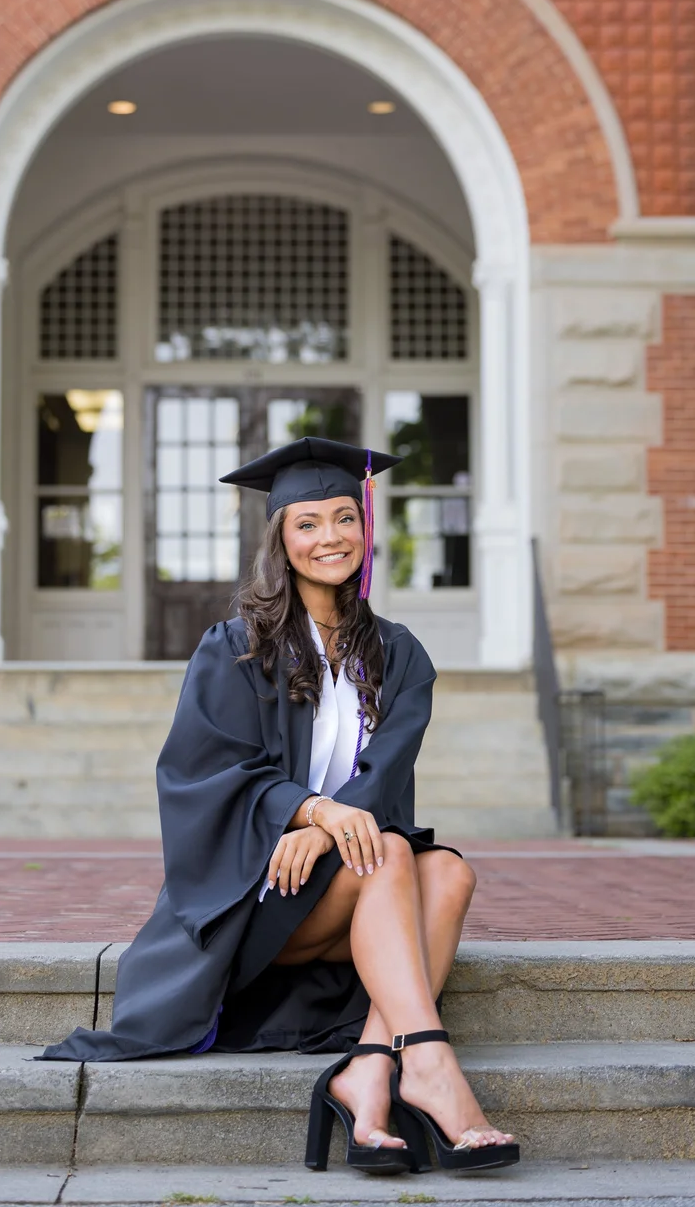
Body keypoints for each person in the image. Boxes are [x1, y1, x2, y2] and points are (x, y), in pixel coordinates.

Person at [40, 437, 518, 1176]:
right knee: (390, 848)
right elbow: (205, 771)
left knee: (449, 872)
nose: (329, 537)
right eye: (307, 524)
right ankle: (428, 1065)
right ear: (281, 541)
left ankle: (368, 1068)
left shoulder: (401, 656)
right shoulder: (235, 648)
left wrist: (329, 829)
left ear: (366, 527)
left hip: (345, 878)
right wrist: (309, 813)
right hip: (256, 899)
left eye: (343, 518)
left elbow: (383, 777)